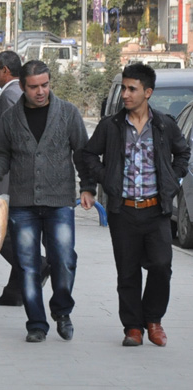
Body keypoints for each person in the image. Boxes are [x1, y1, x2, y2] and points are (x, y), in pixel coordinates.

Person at [75, 64, 190, 347]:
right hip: (123, 210)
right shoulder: (110, 127)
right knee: (127, 271)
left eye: (131, 89)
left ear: (147, 92)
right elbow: (87, 156)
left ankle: (153, 320)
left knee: (162, 265)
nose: (125, 94)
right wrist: (98, 182)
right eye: (124, 88)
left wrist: (172, 180)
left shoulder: (164, 125)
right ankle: (133, 327)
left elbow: (183, 152)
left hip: (156, 210)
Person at [0, 60, 89, 343]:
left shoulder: (68, 113)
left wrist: (88, 187)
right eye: (33, 87)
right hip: (23, 204)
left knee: (64, 260)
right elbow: (3, 154)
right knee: (27, 266)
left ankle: (62, 310)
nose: (40, 92)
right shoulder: (11, 118)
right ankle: (36, 324)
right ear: (23, 86)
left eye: (45, 85)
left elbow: (83, 154)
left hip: (59, 201)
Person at [0, 51, 50, 307]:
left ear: (7, 70)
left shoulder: (12, 95)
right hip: (7, 176)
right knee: (13, 232)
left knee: (2, 236)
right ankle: (15, 292)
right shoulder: (12, 93)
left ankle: (39, 264)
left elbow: (23, 136)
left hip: (9, 179)